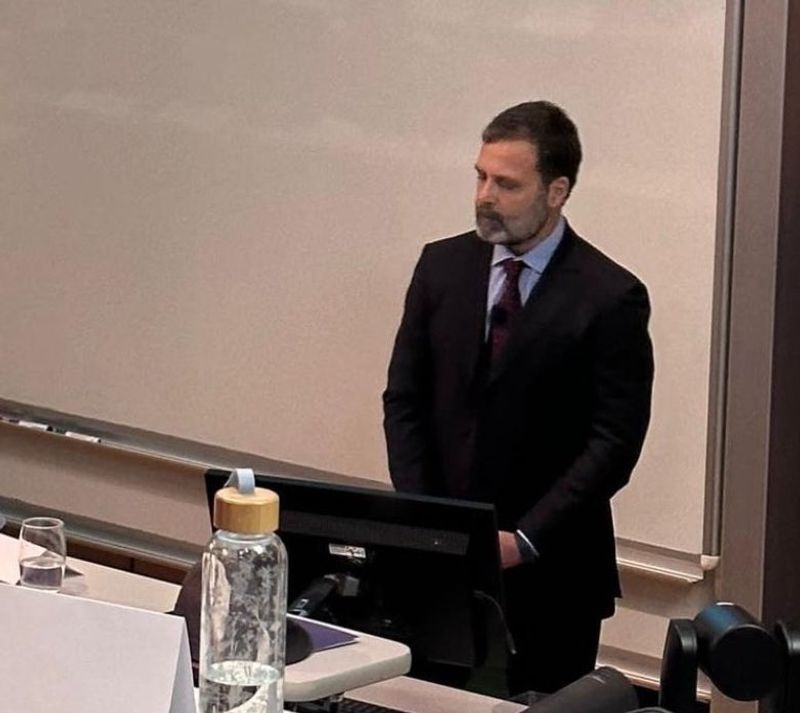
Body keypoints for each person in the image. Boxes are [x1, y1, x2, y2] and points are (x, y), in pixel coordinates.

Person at [383, 100, 654, 696]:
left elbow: (613, 443)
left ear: (557, 191)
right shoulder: (441, 266)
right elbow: (404, 400)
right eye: (480, 177)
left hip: (553, 575)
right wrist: (426, 520)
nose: (485, 196)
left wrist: (526, 538)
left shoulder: (611, 296)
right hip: (441, 567)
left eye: (506, 184)